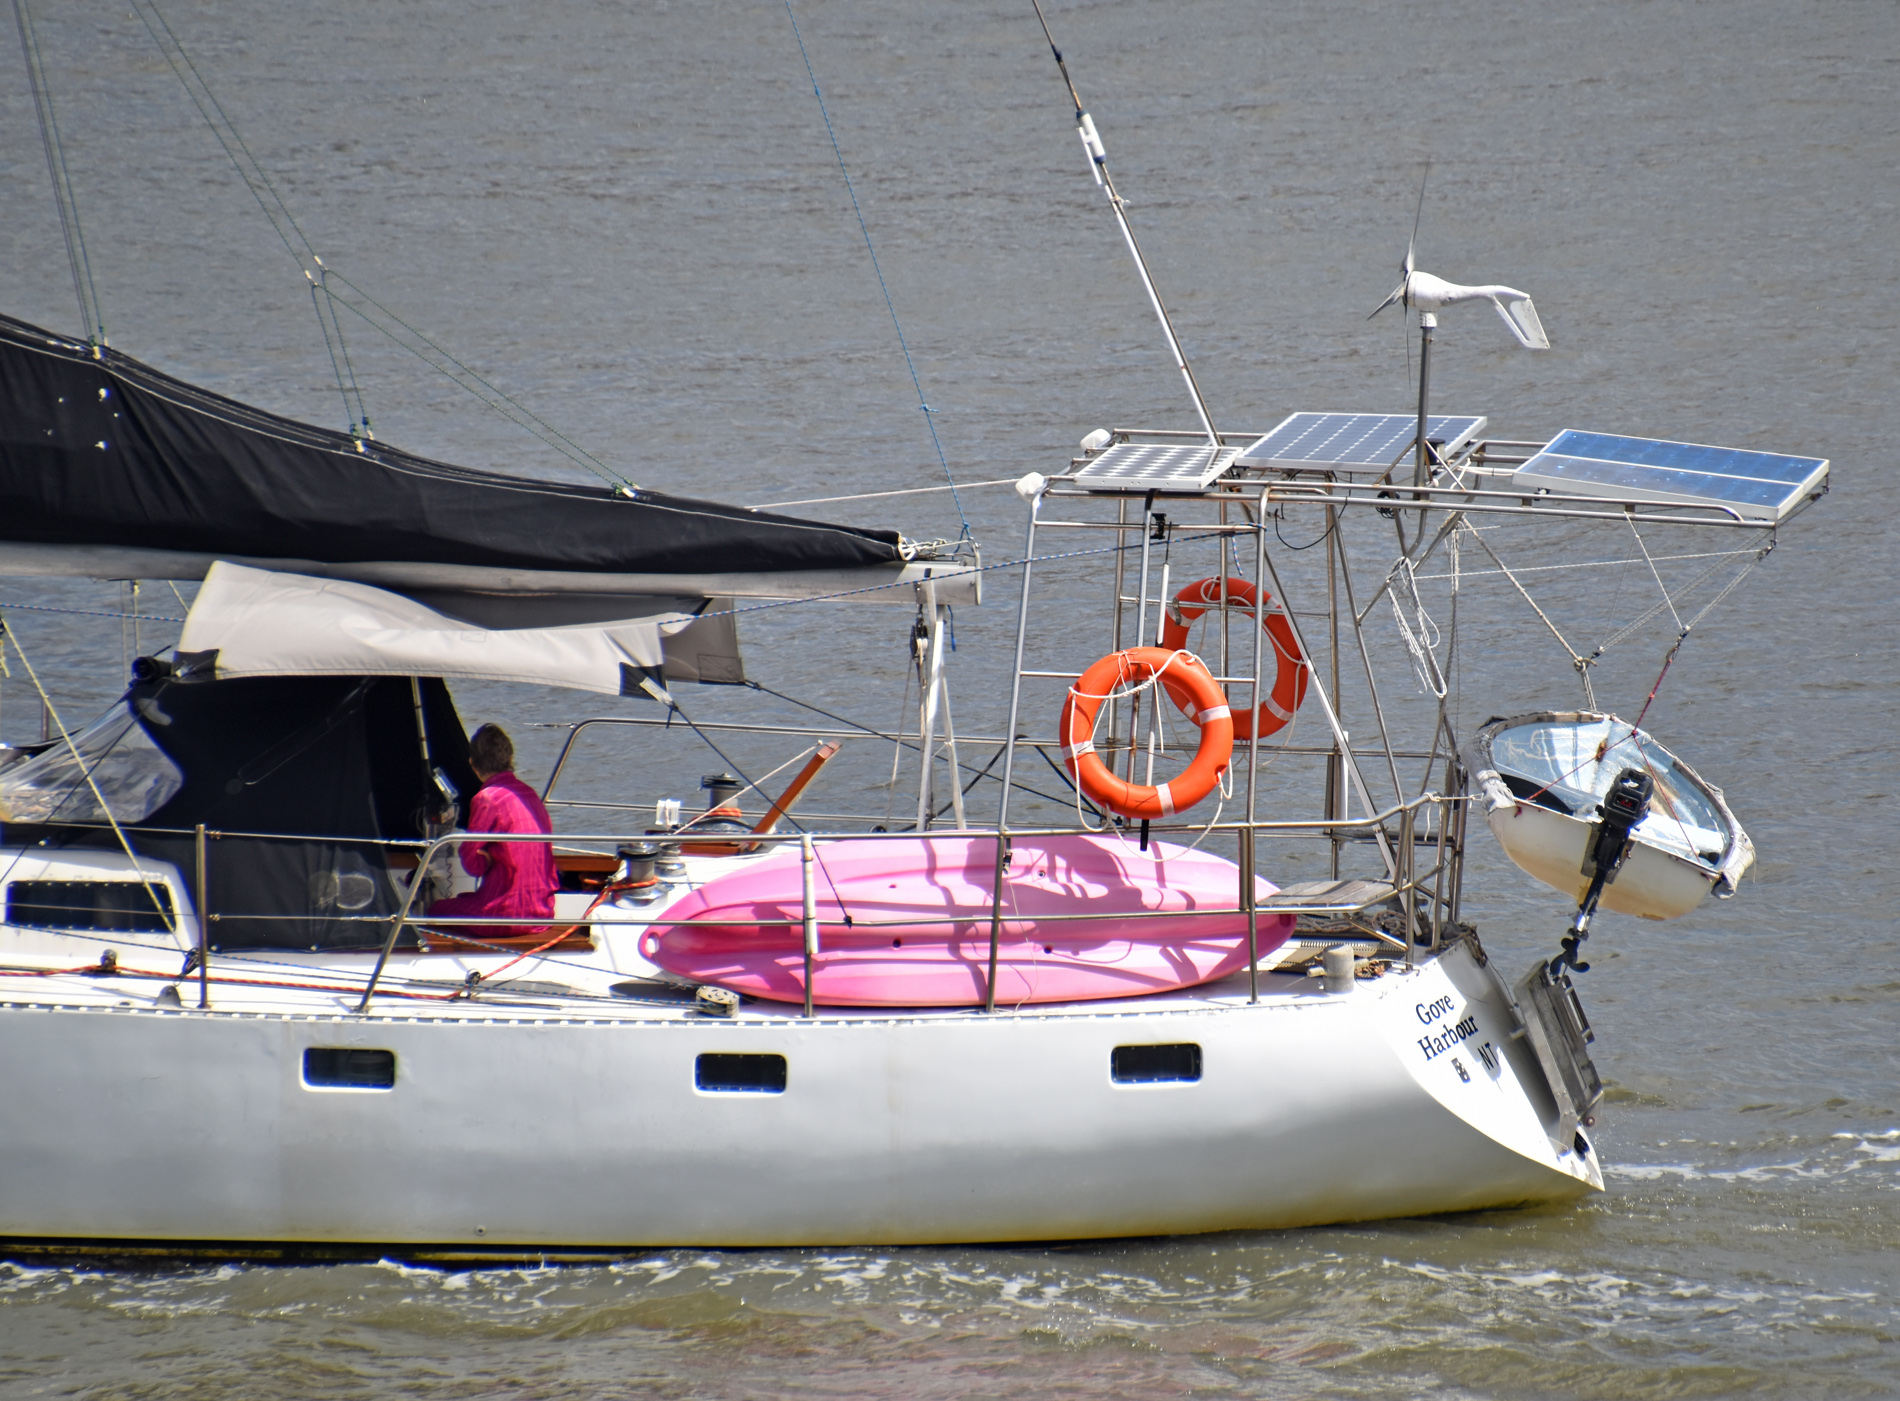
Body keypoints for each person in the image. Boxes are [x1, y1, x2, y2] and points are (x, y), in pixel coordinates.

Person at [425, 723, 559, 937]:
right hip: (541, 912)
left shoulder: (487, 798)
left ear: (472, 763)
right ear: (510, 759)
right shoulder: (529, 794)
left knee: (437, 910)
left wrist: (485, 861)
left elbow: (472, 864)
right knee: (465, 900)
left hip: (506, 914)